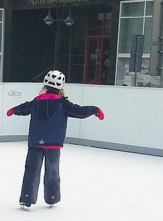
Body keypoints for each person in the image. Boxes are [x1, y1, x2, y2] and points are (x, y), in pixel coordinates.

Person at [7, 70, 103, 210]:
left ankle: (27, 199)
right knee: (52, 171)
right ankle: (52, 197)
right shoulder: (63, 103)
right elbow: (80, 111)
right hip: (53, 144)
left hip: (35, 142)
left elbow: (23, 108)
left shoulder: (36, 102)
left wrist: (13, 110)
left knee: (31, 170)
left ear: (44, 85)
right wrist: (95, 109)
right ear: (61, 86)